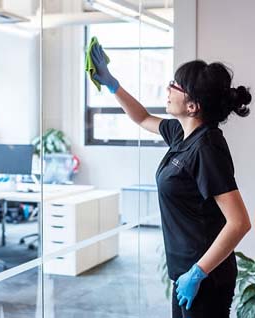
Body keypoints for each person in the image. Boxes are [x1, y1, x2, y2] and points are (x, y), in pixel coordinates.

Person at [90, 44, 252, 318]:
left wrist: (198, 272)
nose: (168, 88)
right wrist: (112, 83)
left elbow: (239, 222)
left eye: (176, 85)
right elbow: (142, 118)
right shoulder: (182, 134)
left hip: (206, 278)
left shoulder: (206, 149)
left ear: (193, 105)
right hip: (188, 273)